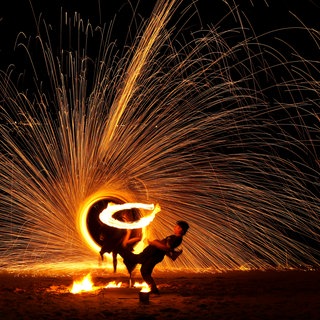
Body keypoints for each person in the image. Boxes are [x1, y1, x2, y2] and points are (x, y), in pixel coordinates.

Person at [118, 220, 189, 294]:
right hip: (154, 254)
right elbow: (167, 249)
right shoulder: (174, 237)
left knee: (135, 259)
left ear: (181, 229)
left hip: (153, 254)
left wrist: (154, 242)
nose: (174, 227)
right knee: (145, 271)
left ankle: (120, 249)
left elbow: (165, 248)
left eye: (177, 227)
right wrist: (172, 253)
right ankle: (153, 290)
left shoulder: (177, 239)